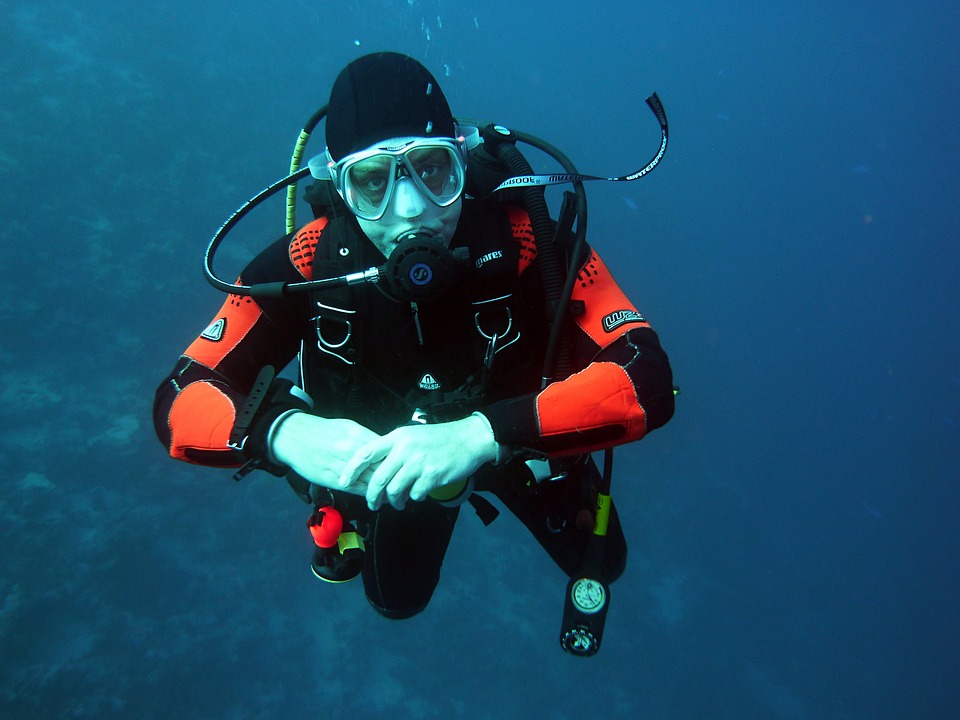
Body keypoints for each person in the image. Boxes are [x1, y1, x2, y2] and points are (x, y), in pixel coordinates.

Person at [153, 52, 674, 622]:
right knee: (395, 601)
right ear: (339, 186)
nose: (410, 210)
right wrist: (282, 433)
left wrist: (483, 435)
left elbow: (646, 374)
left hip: (522, 444)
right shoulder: (308, 263)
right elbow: (179, 397)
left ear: (462, 159)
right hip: (397, 473)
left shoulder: (530, 245)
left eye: (431, 170)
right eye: (372, 181)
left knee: (606, 561)